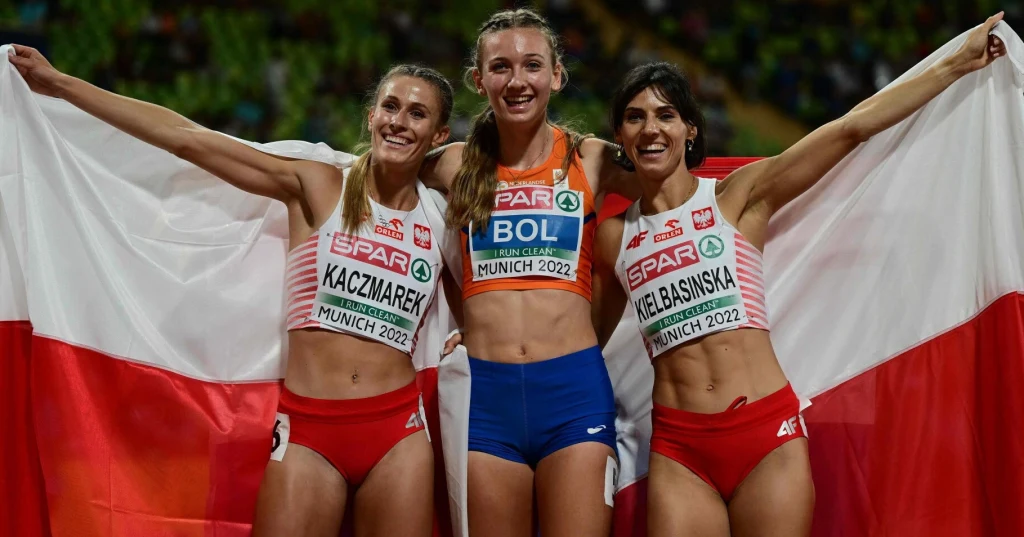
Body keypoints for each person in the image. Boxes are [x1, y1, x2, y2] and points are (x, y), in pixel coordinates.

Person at [9, 45, 459, 537]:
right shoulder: (316, 184)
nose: (399, 122)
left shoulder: (438, 213)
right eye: (390, 107)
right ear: (371, 115)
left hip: (399, 433)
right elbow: (189, 140)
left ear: (437, 135)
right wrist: (60, 85)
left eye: (418, 113)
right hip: (311, 431)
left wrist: (470, 329)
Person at [591, 14, 1006, 537]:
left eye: (665, 114)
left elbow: (850, 128)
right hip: (679, 449)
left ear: (689, 129)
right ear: (620, 136)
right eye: (634, 117)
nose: (651, 128)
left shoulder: (736, 198)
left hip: (767, 434)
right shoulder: (614, 238)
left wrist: (957, 64)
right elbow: (584, 342)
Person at [419, 7, 637, 537]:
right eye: (500, 67)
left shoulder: (593, 160)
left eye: (532, 65)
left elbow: (684, 192)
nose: (517, 81)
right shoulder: (451, 165)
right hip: (485, 401)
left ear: (556, 75)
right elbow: (373, 190)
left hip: (574, 391)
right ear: (479, 80)